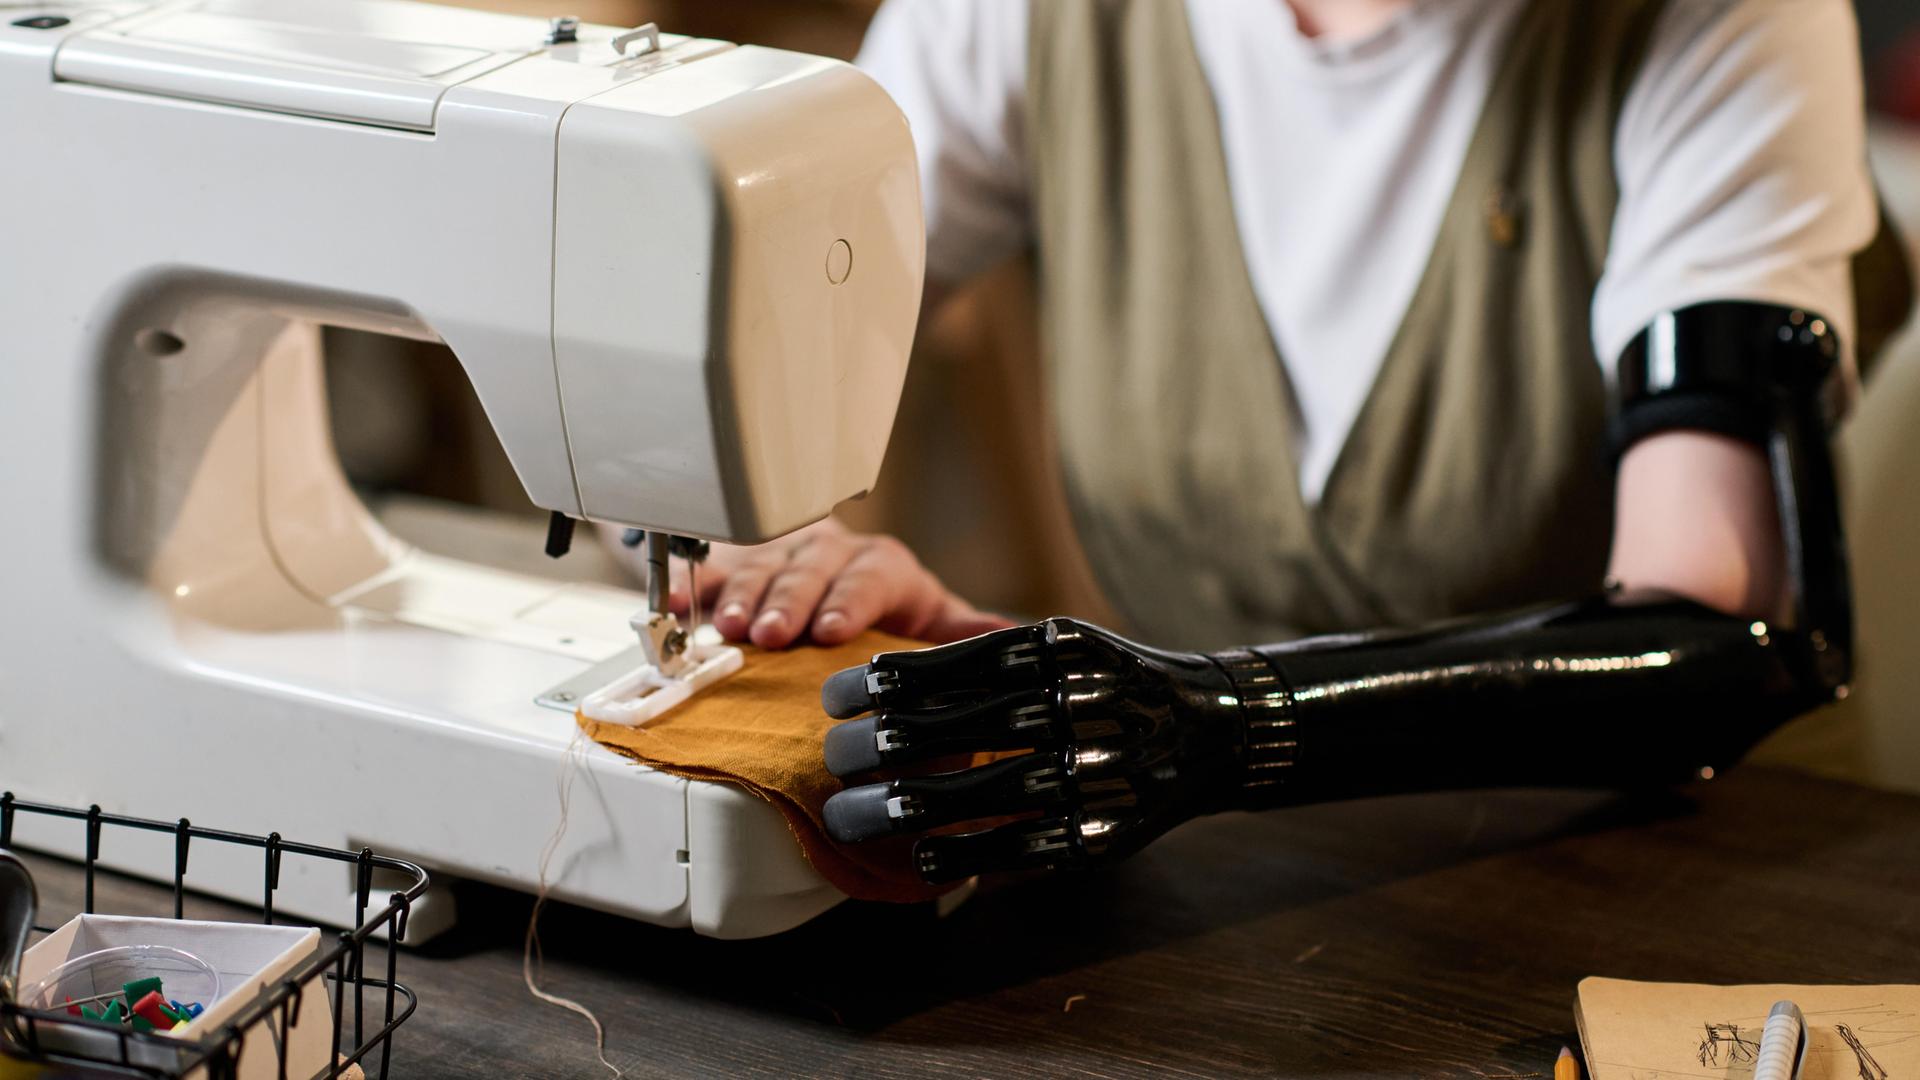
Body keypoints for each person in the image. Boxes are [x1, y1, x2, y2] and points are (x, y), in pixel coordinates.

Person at [619, 0, 1912, 882]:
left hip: (1660, 857)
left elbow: (1704, 617)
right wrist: (788, 555)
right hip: (1232, 878)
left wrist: (1199, 721)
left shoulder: (1717, 22)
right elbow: (735, 350)